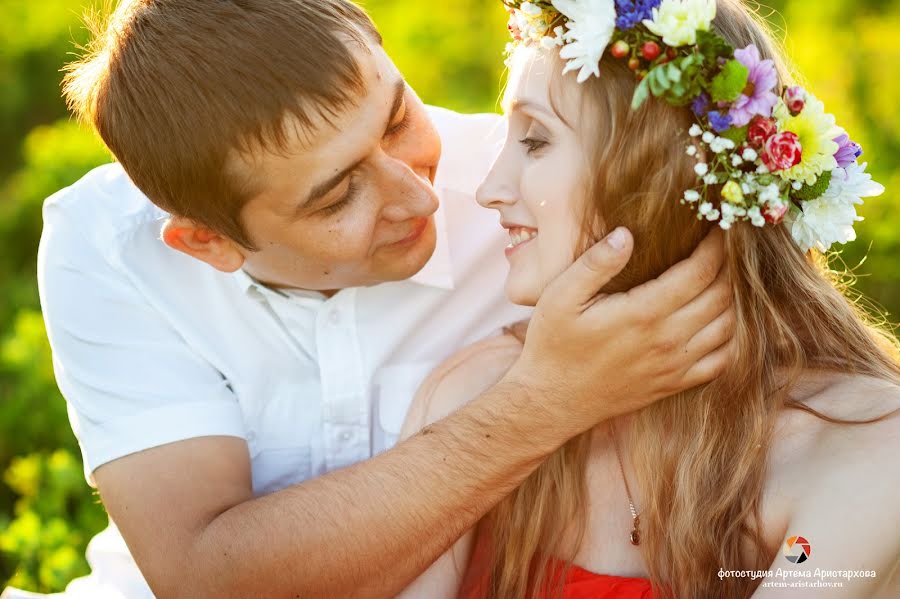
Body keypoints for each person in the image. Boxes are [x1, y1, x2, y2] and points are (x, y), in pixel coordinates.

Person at [1, 1, 736, 598]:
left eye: (397, 120)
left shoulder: (544, 193)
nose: (419, 192)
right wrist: (548, 400)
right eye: (339, 195)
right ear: (208, 244)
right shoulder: (106, 245)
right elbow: (205, 576)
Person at [397, 0, 900, 598]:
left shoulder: (865, 446)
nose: (489, 191)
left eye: (535, 141)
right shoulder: (473, 397)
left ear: (662, 172)